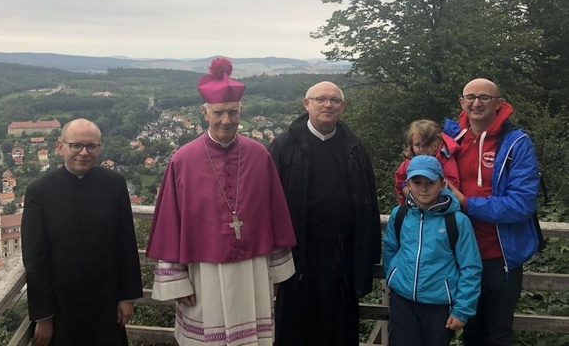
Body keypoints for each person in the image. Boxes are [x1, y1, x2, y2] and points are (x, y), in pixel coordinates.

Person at [146, 57, 296, 346]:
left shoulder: (259, 155)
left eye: (232, 112)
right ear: (205, 112)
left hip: (252, 270)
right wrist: (176, 281)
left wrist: (277, 271)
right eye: (218, 113)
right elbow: (169, 221)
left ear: (240, 111)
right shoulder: (183, 160)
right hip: (203, 274)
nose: (226, 120)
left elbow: (275, 213)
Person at [268, 81, 381, 346]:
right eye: (320, 99)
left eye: (334, 100)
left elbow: (369, 204)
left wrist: (368, 257)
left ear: (343, 107)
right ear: (307, 104)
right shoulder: (284, 146)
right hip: (297, 256)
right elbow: (268, 202)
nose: (327, 105)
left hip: (341, 256)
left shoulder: (354, 148)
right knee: (296, 330)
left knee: (339, 329)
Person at [21, 118, 143, 346]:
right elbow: (35, 258)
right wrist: (44, 316)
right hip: (61, 309)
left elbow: (126, 242)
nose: (84, 152)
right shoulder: (39, 191)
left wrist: (128, 298)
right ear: (60, 147)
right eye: (76, 145)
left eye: (91, 146)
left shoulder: (115, 184)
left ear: (99, 148)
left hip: (107, 304)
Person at [443, 78, 543, 346]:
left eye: (484, 98)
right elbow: (417, 176)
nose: (476, 103)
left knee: (498, 335)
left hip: (500, 258)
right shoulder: (449, 140)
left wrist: (467, 203)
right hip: (458, 255)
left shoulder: (516, 143)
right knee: (470, 334)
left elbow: (521, 204)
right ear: (461, 102)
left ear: (498, 104)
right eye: (470, 97)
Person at [383, 155, 482, 346]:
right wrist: (394, 277)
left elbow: (471, 267)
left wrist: (462, 309)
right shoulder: (400, 214)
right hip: (403, 301)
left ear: (442, 183)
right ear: (408, 184)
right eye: (417, 182)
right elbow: (390, 249)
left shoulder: (457, 221)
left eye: (430, 182)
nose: (423, 188)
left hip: (439, 305)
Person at [393, 119, 460, 205]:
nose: (421, 149)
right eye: (417, 145)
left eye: (426, 144)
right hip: (414, 208)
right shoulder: (410, 160)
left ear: (436, 142)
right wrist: (404, 187)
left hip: (439, 208)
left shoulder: (444, 158)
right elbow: (399, 178)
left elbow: (453, 184)